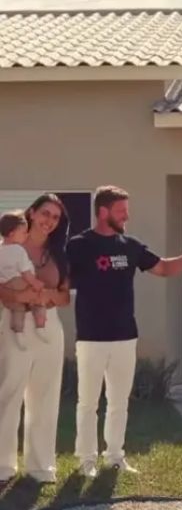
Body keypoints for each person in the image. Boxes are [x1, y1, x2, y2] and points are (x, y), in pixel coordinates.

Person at [67, 185, 182, 477]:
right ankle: (86, 461)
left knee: (119, 402)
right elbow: (61, 279)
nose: (126, 217)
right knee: (88, 402)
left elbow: (163, 268)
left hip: (125, 335)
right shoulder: (79, 245)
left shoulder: (130, 246)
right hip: (91, 336)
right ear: (103, 212)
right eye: (121, 211)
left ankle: (115, 456)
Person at [0, 194, 71, 490]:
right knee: (8, 393)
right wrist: (21, 296)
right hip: (14, 323)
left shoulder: (59, 254)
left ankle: (41, 467)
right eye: (45, 213)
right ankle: (3, 467)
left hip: (48, 326)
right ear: (31, 213)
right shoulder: (7, 247)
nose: (49, 221)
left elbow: (64, 297)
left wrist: (45, 296)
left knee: (45, 396)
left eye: (55, 217)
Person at [0, 210, 48, 350]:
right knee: (39, 301)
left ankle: (19, 333)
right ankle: (40, 326)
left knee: (18, 310)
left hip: (7, 287)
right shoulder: (18, 250)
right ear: (11, 234)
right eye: (23, 232)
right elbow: (25, 273)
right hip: (21, 282)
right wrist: (36, 283)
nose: (26, 235)